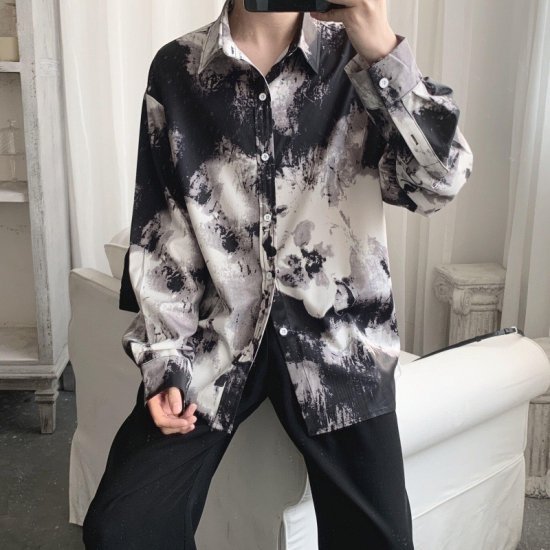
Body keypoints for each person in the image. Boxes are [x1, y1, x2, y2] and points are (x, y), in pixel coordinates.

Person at [83, 0, 474, 548]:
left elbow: (440, 183)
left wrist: (383, 50)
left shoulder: (359, 61)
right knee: (122, 527)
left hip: (339, 347)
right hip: (215, 341)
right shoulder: (179, 69)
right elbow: (163, 234)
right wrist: (165, 360)